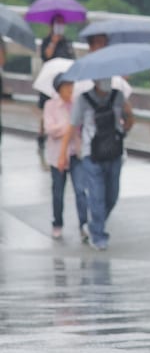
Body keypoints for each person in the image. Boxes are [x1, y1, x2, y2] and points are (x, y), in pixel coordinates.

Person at [62, 76, 132, 251]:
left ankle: (94, 225)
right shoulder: (83, 100)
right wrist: (62, 153)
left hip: (114, 153)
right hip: (91, 155)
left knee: (112, 195)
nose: (106, 81)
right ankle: (99, 236)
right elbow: (72, 126)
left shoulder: (118, 96)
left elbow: (129, 118)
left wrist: (125, 127)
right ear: (94, 80)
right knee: (97, 196)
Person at [45, 74, 89, 241]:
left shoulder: (77, 104)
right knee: (58, 192)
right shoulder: (51, 105)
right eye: (66, 87)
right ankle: (57, 223)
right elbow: (51, 129)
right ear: (59, 89)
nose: (69, 90)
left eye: (71, 85)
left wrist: (73, 128)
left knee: (80, 190)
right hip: (57, 156)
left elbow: (81, 127)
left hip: (75, 153)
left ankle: (83, 224)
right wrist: (69, 127)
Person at [37, 13, 74, 160]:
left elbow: (72, 58)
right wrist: (53, 42)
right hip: (50, 79)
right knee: (47, 108)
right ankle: (42, 133)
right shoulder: (47, 41)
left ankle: (64, 131)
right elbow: (45, 56)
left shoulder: (67, 42)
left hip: (64, 80)